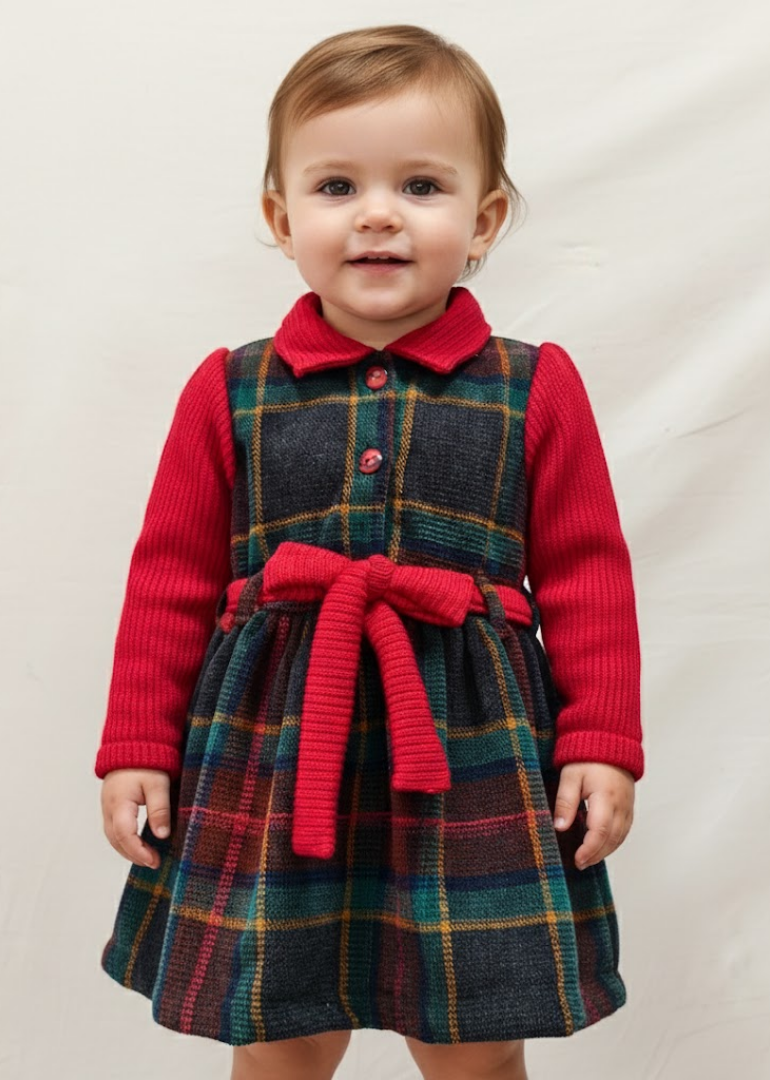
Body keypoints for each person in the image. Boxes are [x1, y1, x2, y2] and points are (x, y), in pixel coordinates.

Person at [95, 23, 644, 1080]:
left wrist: (600, 741)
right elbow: (167, 584)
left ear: (483, 221)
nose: (379, 214)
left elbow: (586, 576)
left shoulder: (534, 386)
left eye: (422, 186)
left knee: (472, 1039)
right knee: (282, 1031)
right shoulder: (230, 388)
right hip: (272, 750)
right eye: (337, 185)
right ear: (280, 216)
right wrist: (135, 747)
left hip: (470, 755)